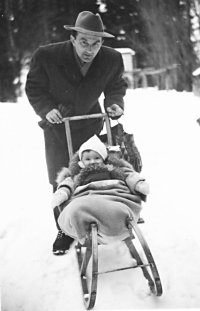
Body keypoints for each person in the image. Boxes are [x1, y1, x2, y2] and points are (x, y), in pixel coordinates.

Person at [25, 11, 128, 254]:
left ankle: (104, 220)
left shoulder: (112, 58)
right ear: (73, 38)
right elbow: (34, 87)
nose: (90, 49)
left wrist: (115, 102)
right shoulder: (47, 55)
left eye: (96, 43)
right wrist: (46, 109)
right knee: (62, 178)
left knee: (97, 173)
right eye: (84, 42)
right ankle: (64, 230)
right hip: (58, 126)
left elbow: (116, 85)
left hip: (90, 124)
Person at [51, 135, 150, 246]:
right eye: (88, 159)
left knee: (115, 208)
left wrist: (138, 184)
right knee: (76, 208)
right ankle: (83, 220)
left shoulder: (112, 169)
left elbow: (130, 175)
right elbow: (67, 184)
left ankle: (114, 220)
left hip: (113, 196)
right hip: (86, 199)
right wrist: (62, 193)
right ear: (81, 162)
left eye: (97, 158)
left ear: (104, 159)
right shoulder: (77, 175)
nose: (92, 161)